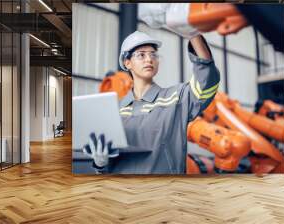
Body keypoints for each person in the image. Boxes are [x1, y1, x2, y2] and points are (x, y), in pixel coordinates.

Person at [83, 30, 220, 174]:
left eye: (153, 54)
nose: (149, 59)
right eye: (141, 55)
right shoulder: (115, 112)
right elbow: (106, 170)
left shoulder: (176, 99)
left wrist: (193, 33)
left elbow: (206, 81)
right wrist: (100, 163)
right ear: (127, 62)